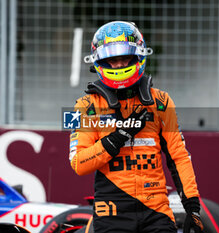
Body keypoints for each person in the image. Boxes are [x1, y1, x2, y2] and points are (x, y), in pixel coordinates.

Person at [69, 21, 203, 233]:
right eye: (112, 60)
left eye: (125, 58)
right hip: (111, 212)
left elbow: (179, 157)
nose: (119, 65)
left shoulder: (162, 101)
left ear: (138, 57)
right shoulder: (83, 106)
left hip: (156, 210)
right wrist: (118, 136)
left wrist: (192, 207)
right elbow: (79, 163)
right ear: (99, 61)